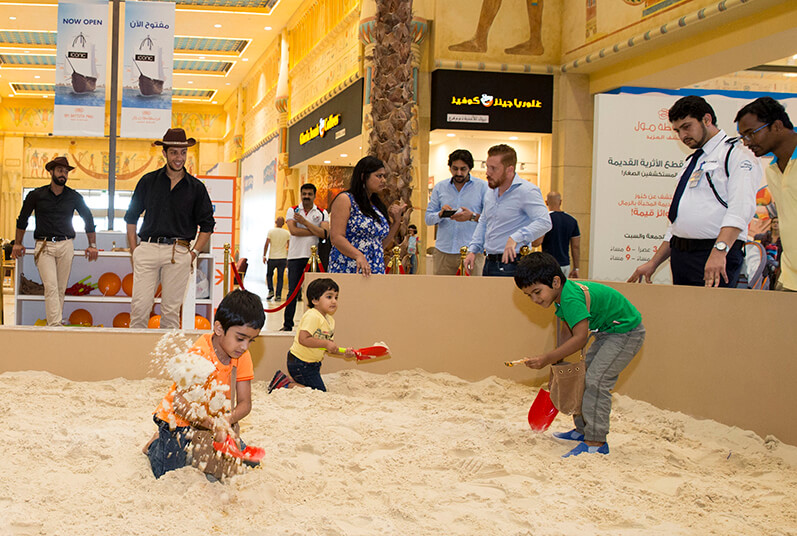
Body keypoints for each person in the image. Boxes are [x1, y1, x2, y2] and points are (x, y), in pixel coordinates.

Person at [514, 252, 645, 457]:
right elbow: (567, 334)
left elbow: (580, 338)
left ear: (556, 282)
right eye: (529, 295)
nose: (534, 299)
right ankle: (582, 430)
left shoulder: (571, 298)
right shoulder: (560, 299)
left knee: (596, 381)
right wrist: (556, 367)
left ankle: (595, 441)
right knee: (583, 378)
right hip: (606, 332)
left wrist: (547, 358)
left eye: (537, 292)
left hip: (626, 332)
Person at [628, 96, 759, 287]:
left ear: (707, 119)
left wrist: (719, 252)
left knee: (711, 315)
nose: (682, 136)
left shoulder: (735, 154)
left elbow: (740, 210)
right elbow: (678, 222)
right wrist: (654, 262)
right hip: (682, 256)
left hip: (713, 255)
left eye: (687, 127)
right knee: (684, 315)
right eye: (677, 130)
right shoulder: (692, 160)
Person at [143, 289, 265, 479]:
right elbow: (180, 404)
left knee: (247, 463)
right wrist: (210, 423)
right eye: (240, 338)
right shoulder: (199, 355)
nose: (245, 346)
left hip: (214, 420)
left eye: (251, 340)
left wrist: (225, 421)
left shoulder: (242, 355)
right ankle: (155, 444)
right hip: (179, 421)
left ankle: (227, 443)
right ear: (218, 329)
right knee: (169, 472)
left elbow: (245, 403)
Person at [125, 128, 215, 329]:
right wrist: (134, 251)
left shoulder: (196, 188)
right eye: (174, 152)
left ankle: (167, 360)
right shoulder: (148, 181)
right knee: (139, 308)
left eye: (183, 152)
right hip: (147, 249)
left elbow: (208, 225)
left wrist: (193, 254)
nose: (179, 158)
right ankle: (135, 357)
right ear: (164, 153)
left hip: (179, 251)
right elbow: (131, 218)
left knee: (171, 313)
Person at [13, 156, 99, 326]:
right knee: (51, 287)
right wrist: (17, 242)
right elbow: (22, 219)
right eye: (60, 170)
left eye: (66, 172)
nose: (63, 174)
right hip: (44, 246)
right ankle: (55, 326)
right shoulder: (35, 195)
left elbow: (88, 218)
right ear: (51, 171)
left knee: (60, 289)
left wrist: (92, 245)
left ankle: (55, 323)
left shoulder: (74, 196)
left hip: (66, 245)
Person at [735, 97, 797, 291]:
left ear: (777, 126)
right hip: (788, 278)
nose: (746, 142)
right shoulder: (772, 170)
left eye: (751, 134)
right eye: (743, 137)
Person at [464, 144, 551, 277]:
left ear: (509, 170)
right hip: (489, 262)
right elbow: (484, 222)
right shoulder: (490, 192)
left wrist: (516, 237)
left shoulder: (526, 191)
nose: (488, 172)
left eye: (493, 168)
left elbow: (545, 222)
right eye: (487, 167)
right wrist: (473, 250)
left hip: (513, 262)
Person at [270, 278, 354, 393]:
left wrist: (344, 353)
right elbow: (303, 339)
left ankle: (289, 380)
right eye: (329, 297)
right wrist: (326, 343)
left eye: (336, 297)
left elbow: (329, 347)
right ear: (315, 300)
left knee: (315, 388)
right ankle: (285, 384)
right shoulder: (312, 316)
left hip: (312, 364)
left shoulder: (330, 320)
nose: (334, 301)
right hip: (300, 362)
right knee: (318, 391)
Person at [328, 156, 407, 276]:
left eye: (384, 176)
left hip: (374, 267)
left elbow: (380, 244)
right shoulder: (346, 199)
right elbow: (336, 237)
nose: (383, 180)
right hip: (349, 266)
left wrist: (396, 222)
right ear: (363, 177)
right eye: (379, 176)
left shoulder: (376, 205)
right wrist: (358, 255)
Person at [425, 149, 488, 275]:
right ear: (449, 168)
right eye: (455, 168)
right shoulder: (440, 187)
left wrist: (472, 216)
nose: (458, 173)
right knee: (442, 292)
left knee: (472, 292)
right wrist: (440, 214)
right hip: (444, 251)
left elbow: (490, 219)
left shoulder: (483, 187)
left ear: (470, 168)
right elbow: (428, 218)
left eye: (463, 169)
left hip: (472, 251)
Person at [282, 183, 329, 332]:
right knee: (292, 292)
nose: (306, 197)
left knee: (315, 293)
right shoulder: (293, 210)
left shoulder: (322, 212)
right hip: (295, 256)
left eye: (309, 194)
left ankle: (314, 326)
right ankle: (287, 325)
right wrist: (316, 230)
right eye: (304, 194)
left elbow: (325, 234)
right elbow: (294, 231)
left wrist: (304, 223)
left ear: (314, 196)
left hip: (314, 258)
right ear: (300, 195)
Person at [532, 192, 581, 277]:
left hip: (548, 263)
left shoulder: (545, 219)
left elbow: (537, 242)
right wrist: (576, 268)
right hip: (565, 264)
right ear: (560, 202)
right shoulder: (572, 220)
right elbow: (575, 246)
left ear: (546, 202)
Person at [263, 216, 290, 301]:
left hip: (272, 257)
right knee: (280, 277)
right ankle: (278, 295)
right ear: (284, 223)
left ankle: (271, 290)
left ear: (275, 222)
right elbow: (289, 246)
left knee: (269, 275)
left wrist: (264, 255)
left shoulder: (271, 231)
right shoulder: (287, 233)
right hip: (282, 257)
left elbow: (267, 244)